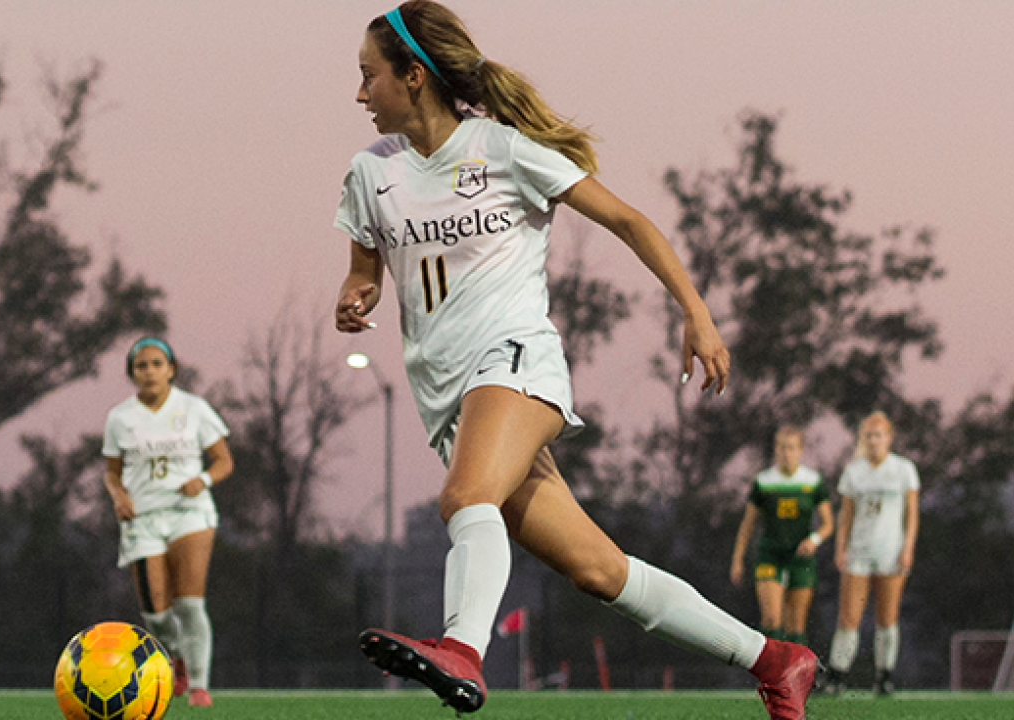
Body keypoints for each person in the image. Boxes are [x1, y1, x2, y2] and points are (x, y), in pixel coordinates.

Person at [331, 3, 816, 717]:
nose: (359, 93)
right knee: (599, 571)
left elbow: (628, 220)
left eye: (369, 76)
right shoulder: (369, 174)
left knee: (466, 501)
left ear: (414, 75)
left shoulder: (504, 149)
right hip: (446, 397)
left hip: (515, 361)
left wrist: (696, 312)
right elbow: (364, 267)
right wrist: (355, 292)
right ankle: (775, 660)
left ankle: (462, 650)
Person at [102, 337, 233, 708]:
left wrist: (203, 480)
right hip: (143, 518)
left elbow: (223, 460)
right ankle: (175, 656)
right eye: (141, 366)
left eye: (157, 364)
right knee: (155, 615)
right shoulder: (120, 417)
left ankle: (199, 686)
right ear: (132, 373)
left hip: (189, 514)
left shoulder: (194, 408)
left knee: (190, 604)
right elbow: (112, 472)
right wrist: (119, 496)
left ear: (171, 369)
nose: (149, 372)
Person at [824, 411, 919, 696]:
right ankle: (837, 675)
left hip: (890, 552)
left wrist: (907, 548)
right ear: (862, 439)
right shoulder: (855, 471)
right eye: (868, 435)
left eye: (878, 435)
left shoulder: (903, 470)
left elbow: (912, 515)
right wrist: (840, 548)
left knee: (887, 617)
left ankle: (884, 675)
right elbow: (846, 515)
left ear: (889, 438)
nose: (874, 441)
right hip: (859, 553)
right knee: (849, 617)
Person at [730, 426, 834, 646]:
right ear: (775, 450)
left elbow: (828, 524)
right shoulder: (764, 481)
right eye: (780, 447)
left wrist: (813, 540)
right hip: (770, 556)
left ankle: (795, 678)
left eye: (790, 448)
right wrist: (737, 559)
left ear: (800, 451)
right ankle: (770, 676)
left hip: (801, 559)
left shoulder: (812, 481)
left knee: (796, 625)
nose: (785, 452)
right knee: (771, 618)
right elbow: (748, 524)